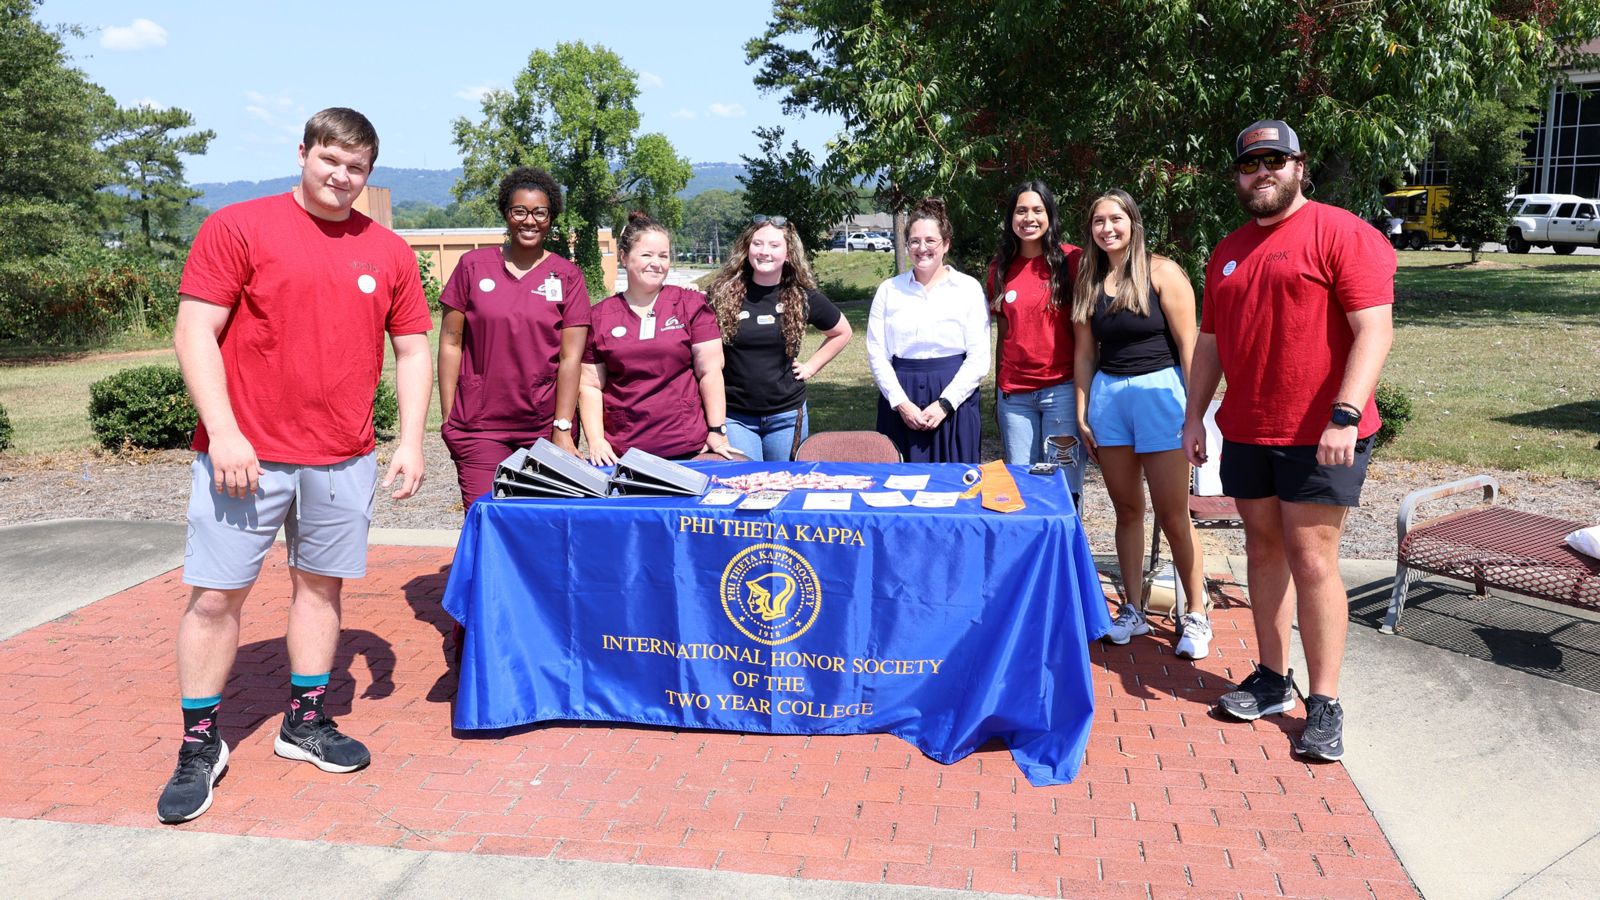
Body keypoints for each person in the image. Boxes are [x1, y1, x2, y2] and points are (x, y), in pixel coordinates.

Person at [159, 108, 433, 823]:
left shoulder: (389, 251)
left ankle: (303, 723)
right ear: (304, 154)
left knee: (320, 589)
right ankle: (199, 743)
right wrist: (223, 431)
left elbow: (412, 349)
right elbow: (194, 331)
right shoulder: (239, 227)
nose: (342, 177)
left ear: (369, 174)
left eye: (357, 168)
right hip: (245, 456)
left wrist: (409, 440)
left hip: (343, 455)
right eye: (330, 161)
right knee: (217, 597)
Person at [1182, 119, 1394, 761]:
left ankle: (1324, 701)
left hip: (1320, 433)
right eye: (1251, 165)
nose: (1263, 173)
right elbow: (1211, 343)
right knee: (1264, 553)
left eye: (1276, 161)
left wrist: (1345, 415)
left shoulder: (1341, 233)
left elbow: (1373, 331)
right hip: (1247, 429)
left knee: (1312, 561)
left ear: (1299, 167)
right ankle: (1273, 679)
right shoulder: (1228, 251)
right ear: (1238, 176)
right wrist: (1195, 416)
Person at [1071, 189, 1211, 659]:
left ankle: (1196, 611)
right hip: (1110, 399)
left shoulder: (1163, 271)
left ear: (1133, 222)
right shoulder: (1089, 279)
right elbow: (1086, 352)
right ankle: (1133, 609)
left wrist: (1196, 414)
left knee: (1174, 515)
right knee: (1127, 511)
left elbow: (1191, 347)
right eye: (1098, 221)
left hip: (1162, 396)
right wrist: (1082, 406)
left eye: (1115, 219)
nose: (1107, 228)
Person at [437, 167, 590, 508]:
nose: (529, 221)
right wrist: (449, 418)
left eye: (540, 212)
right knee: (485, 519)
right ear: (506, 214)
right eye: (519, 211)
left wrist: (562, 427)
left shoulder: (568, 276)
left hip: (542, 427)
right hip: (478, 427)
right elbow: (450, 343)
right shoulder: (472, 267)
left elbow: (571, 358)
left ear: (551, 218)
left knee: (539, 526)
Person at [580, 212, 734, 463]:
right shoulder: (600, 317)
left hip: (687, 448)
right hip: (626, 453)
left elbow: (711, 372)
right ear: (624, 258)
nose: (657, 263)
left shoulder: (691, 305)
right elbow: (589, 385)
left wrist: (717, 430)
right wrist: (596, 440)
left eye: (663, 256)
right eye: (647, 255)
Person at [704, 215, 853, 460]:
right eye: (758, 244)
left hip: (786, 416)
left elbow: (842, 332)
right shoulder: (721, 294)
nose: (765, 252)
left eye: (774, 246)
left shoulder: (802, 297)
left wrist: (811, 367)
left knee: (786, 485)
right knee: (745, 485)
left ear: (788, 253)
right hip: (735, 416)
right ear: (746, 248)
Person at [866, 198, 991, 463]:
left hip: (955, 400)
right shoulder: (889, 291)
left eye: (930, 240)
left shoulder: (968, 289)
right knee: (897, 488)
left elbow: (979, 358)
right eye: (914, 241)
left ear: (946, 244)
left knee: (956, 490)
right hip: (900, 398)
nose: (922, 248)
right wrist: (901, 403)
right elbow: (877, 354)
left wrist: (946, 403)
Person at [987, 181, 1085, 501]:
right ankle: (1028, 552)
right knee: (1021, 486)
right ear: (1010, 218)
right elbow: (1004, 333)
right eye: (1021, 211)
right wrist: (999, 387)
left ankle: (1065, 551)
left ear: (1050, 216)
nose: (1029, 218)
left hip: (1062, 392)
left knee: (1063, 486)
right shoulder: (999, 269)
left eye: (1037, 210)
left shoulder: (1072, 261)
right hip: (1014, 397)